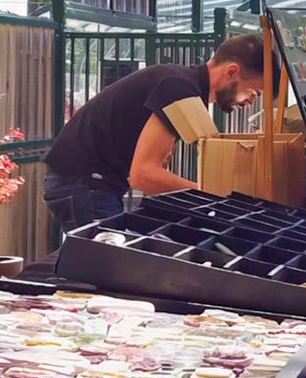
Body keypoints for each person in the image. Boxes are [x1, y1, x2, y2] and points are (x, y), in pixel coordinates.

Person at [43, 34, 270, 231]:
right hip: (84, 182)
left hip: (88, 181)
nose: (250, 101)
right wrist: (213, 196)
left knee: (100, 266)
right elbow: (144, 175)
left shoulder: (183, 85)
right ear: (232, 72)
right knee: (108, 268)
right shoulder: (178, 89)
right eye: (254, 92)